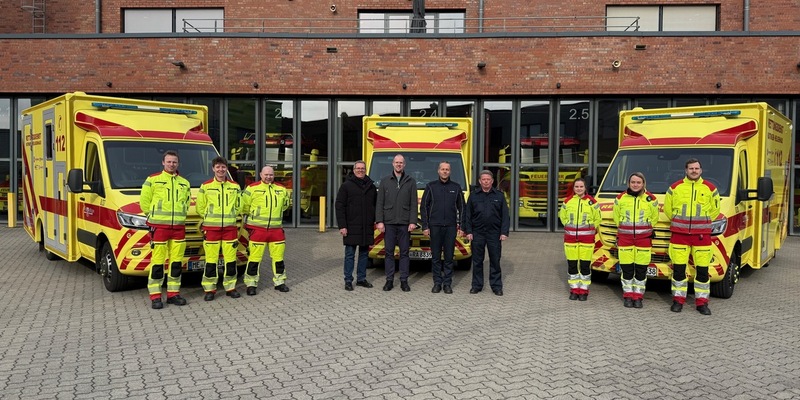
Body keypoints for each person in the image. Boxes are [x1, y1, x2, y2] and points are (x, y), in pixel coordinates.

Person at [664, 158, 721, 315]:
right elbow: (668, 210)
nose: (694, 171)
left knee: (702, 271)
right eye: (691, 168)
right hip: (679, 235)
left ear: (701, 170)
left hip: (701, 236)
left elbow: (715, 210)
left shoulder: (710, 188)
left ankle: (702, 303)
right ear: (686, 170)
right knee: (679, 271)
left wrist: (702, 223)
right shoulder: (675, 188)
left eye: (696, 168)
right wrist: (678, 221)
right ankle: (678, 301)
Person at [140, 150, 191, 310]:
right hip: (160, 228)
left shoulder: (185, 183)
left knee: (176, 263)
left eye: (174, 162)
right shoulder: (153, 180)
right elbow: (144, 202)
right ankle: (155, 296)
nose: (172, 164)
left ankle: (173, 294)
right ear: (163, 163)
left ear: (178, 163)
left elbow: (187, 203)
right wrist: (153, 216)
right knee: (158, 263)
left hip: (178, 228)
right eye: (169, 162)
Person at [196, 156, 243, 301]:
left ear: (226, 168)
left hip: (229, 228)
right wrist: (210, 217)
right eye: (218, 167)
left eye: (223, 167)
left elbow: (239, 205)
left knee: (230, 260)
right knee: (211, 261)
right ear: (213, 169)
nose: (220, 169)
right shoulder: (206, 186)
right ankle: (210, 289)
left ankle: (230, 287)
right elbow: (200, 207)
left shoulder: (234, 186)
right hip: (211, 229)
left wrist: (231, 215)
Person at [240, 165, 291, 295]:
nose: (268, 177)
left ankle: (280, 282)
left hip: (276, 230)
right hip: (257, 230)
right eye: (266, 174)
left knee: (278, 259)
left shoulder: (282, 189)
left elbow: (285, 205)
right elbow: (244, 207)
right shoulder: (251, 188)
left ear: (274, 175)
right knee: (254, 259)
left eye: (271, 175)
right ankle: (251, 284)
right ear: (260, 174)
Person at [613, 172, 659, 308]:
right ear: (628, 183)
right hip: (625, 239)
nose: (635, 185)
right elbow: (616, 217)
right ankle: (628, 296)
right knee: (627, 270)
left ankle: (638, 297)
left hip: (644, 240)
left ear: (643, 184)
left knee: (641, 270)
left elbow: (654, 218)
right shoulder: (620, 198)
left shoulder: (651, 199)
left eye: (638, 182)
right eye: (633, 182)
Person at [421, 161, 465, 294]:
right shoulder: (431, 186)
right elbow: (424, 207)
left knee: (449, 257)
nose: (445, 171)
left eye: (447, 169)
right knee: (435, 257)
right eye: (442, 169)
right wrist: (425, 226)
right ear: (438, 171)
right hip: (435, 227)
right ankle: (437, 283)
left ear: (450, 172)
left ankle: (447, 284)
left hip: (451, 227)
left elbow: (462, 208)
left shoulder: (456, 187)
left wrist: (462, 226)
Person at [375, 154, 417, 292]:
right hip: (389, 223)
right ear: (393, 164)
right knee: (389, 253)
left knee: (405, 253)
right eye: (396, 162)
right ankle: (389, 280)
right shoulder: (385, 181)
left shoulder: (411, 181)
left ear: (404, 165)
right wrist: (379, 221)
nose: (399, 165)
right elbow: (379, 203)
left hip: (405, 223)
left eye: (401, 163)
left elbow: (413, 203)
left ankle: (404, 280)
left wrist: (413, 221)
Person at [463, 170, 510, 296]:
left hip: (494, 233)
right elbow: (467, 215)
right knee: (477, 261)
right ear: (479, 181)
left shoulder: (499, 196)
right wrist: (468, 231)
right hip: (477, 233)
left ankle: (496, 286)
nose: (486, 181)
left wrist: (504, 232)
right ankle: (476, 285)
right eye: (483, 179)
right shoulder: (473, 196)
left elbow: (505, 215)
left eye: (488, 179)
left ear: (492, 181)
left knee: (495, 260)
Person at [335, 160, 377, 291]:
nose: (360, 170)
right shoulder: (346, 186)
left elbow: (375, 206)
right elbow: (339, 206)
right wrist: (342, 226)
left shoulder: (371, 186)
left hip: (366, 226)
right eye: (358, 168)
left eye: (362, 168)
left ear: (365, 170)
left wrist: (375, 220)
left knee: (364, 254)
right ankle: (348, 280)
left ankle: (361, 279)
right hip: (351, 226)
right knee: (350, 254)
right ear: (353, 171)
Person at [558, 178, 601, 301]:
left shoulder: (592, 202)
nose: (579, 189)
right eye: (576, 186)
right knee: (572, 266)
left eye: (581, 186)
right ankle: (574, 289)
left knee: (585, 266)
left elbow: (598, 218)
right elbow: (562, 217)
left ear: (585, 188)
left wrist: (590, 228)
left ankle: (584, 290)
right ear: (574, 188)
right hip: (570, 239)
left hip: (587, 240)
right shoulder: (567, 202)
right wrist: (567, 224)